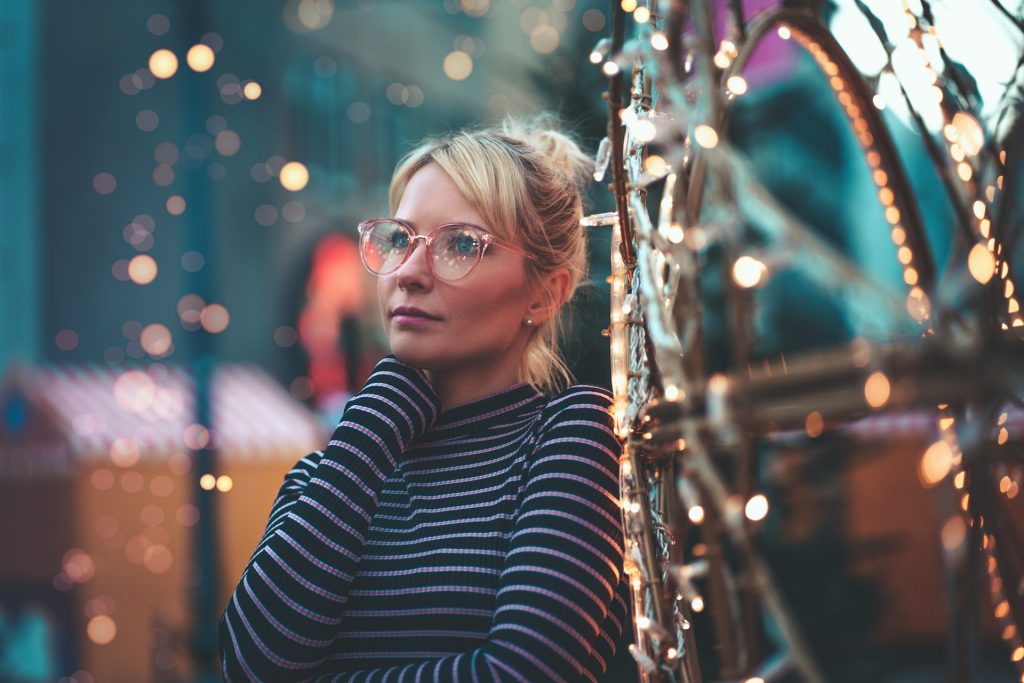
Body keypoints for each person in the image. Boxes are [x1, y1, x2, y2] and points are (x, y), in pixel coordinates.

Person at [219, 117, 629, 682]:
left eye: (461, 244)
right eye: (399, 239)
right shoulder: (326, 473)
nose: (408, 272)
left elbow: (523, 673)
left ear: (545, 291)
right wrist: (375, 417)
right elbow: (251, 667)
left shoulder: (571, 438)